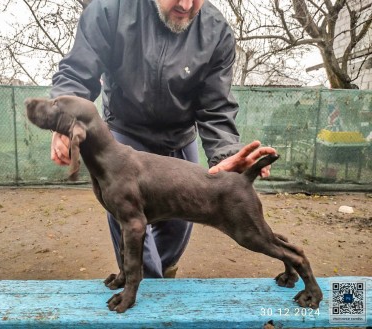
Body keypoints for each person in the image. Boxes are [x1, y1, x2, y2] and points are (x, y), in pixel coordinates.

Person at [49, 0, 277, 278]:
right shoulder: (110, 10)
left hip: (178, 139)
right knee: (130, 221)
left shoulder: (215, 30)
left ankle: (162, 273)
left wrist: (225, 151)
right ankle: (143, 286)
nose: (185, 4)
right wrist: (64, 122)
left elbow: (215, 105)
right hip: (124, 136)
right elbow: (77, 72)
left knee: (178, 228)